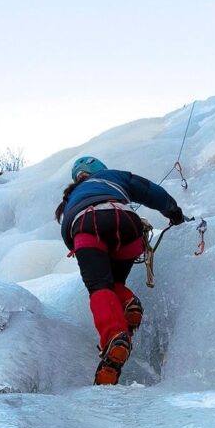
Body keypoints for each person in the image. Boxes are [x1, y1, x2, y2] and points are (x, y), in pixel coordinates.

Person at [55, 156, 188, 385]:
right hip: (128, 225)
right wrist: (174, 213)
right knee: (115, 285)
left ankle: (114, 336)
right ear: (99, 170)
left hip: (87, 228)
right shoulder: (112, 176)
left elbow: (69, 229)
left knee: (100, 287)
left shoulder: (70, 198)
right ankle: (128, 302)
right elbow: (149, 191)